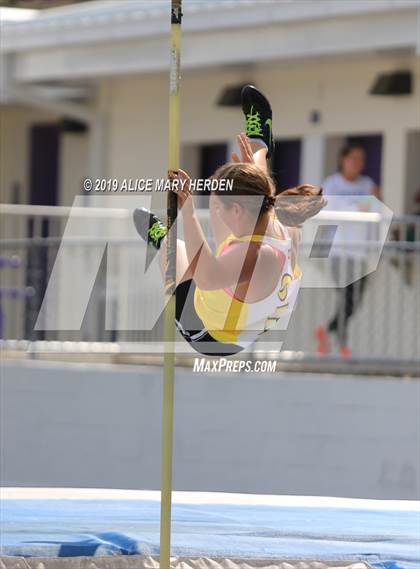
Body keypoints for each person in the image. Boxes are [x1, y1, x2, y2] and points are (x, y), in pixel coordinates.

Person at [134, 85, 325, 356]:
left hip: (213, 336)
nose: (216, 212)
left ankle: (160, 238)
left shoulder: (254, 252)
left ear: (237, 210)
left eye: (222, 207)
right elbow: (259, 191)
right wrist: (250, 168)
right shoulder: (278, 221)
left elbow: (205, 276)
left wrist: (187, 209)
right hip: (250, 306)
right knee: (249, 192)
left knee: (177, 249)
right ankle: (259, 144)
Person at [315, 142, 381, 357]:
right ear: (342, 159)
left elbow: (375, 211)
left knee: (355, 301)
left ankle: (326, 331)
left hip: (360, 252)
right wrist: (357, 208)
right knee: (346, 298)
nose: (357, 163)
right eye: (353, 158)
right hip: (339, 252)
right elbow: (331, 213)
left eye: (361, 159)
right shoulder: (332, 184)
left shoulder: (367, 183)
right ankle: (342, 344)